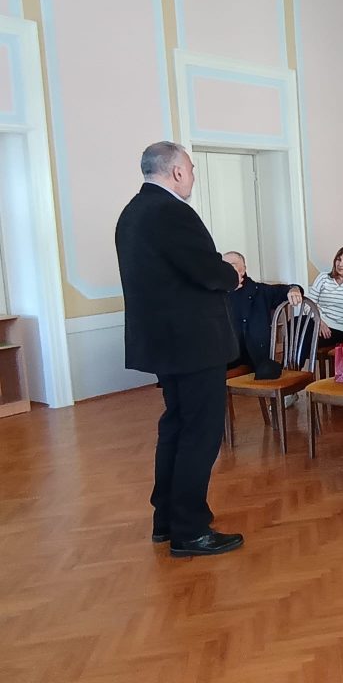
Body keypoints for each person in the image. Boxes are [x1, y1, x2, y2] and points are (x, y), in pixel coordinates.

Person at [115, 141, 244, 557]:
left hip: (166, 344)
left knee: (175, 426)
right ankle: (189, 530)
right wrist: (231, 273)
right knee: (200, 433)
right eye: (190, 168)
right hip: (194, 344)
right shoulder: (172, 212)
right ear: (176, 172)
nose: (192, 176)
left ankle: (167, 519)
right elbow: (205, 271)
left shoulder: (133, 212)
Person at [223, 251, 303, 373]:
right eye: (223, 265)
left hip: (254, 359)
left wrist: (294, 289)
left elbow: (288, 289)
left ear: (243, 269)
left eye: (231, 265)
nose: (226, 269)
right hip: (225, 357)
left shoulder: (260, 291)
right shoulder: (216, 295)